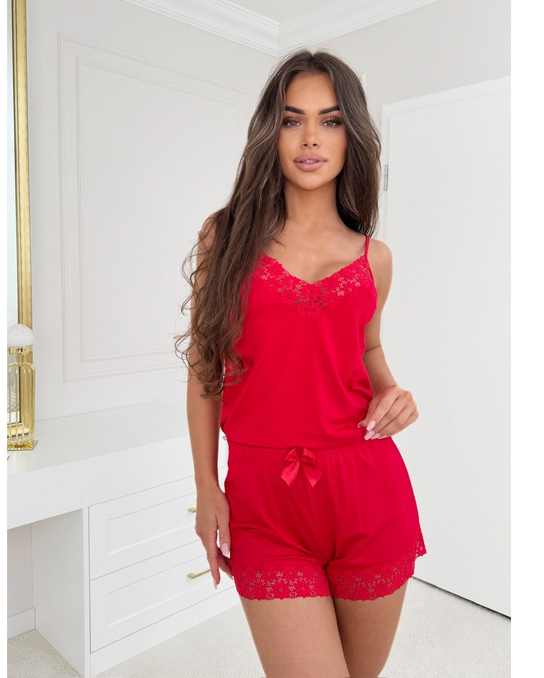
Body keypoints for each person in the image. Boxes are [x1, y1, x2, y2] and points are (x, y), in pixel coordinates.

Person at [176, 48, 427, 678]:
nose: (311, 137)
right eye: (293, 120)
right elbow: (205, 367)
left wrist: (393, 392)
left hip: (366, 492)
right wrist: (207, 487)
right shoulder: (224, 236)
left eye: (330, 120)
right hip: (263, 502)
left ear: (351, 136)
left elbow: (366, 349)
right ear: (272, 133)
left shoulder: (373, 258)